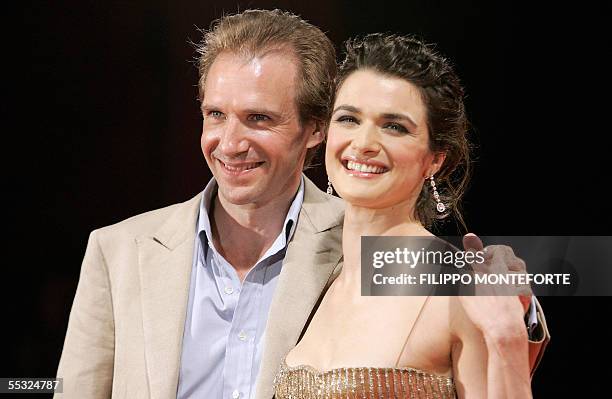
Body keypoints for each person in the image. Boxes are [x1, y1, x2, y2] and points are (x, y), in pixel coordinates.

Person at [55, 10, 548, 399]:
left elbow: (473, 296)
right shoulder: (118, 251)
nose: (230, 142)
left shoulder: (367, 245)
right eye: (215, 114)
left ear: (313, 130)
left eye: (258, 118)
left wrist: (514, 316)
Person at [274, 33, 549, 398]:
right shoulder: (314, 280)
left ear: (435, 159)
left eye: (394, 127)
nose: (364, 143)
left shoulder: (461, 286)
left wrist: (508, 340)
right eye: (348, 119)